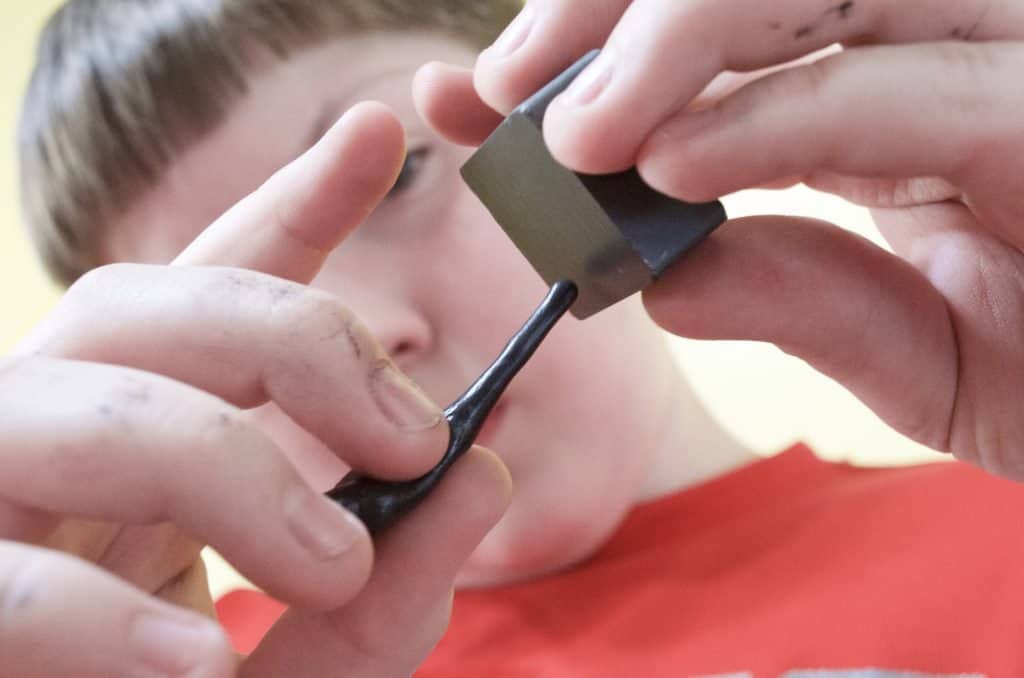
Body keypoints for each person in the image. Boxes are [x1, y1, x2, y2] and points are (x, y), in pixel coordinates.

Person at [10, 1, 1024, 677]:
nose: (373, 331)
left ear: (591, 98)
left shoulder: (1005, 523)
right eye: (232, 300)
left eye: (402, 173)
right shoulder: (166, 666)